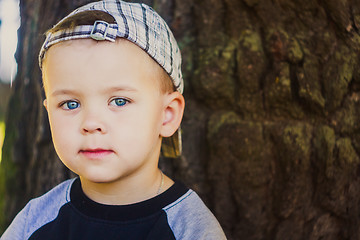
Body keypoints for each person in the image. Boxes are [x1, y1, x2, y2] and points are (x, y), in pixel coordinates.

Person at [1, 0, 227, 239]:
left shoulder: (191, 230)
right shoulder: (34, 221)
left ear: (167, 114)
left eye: (119, 101)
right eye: (70, 104)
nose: (91, 123)